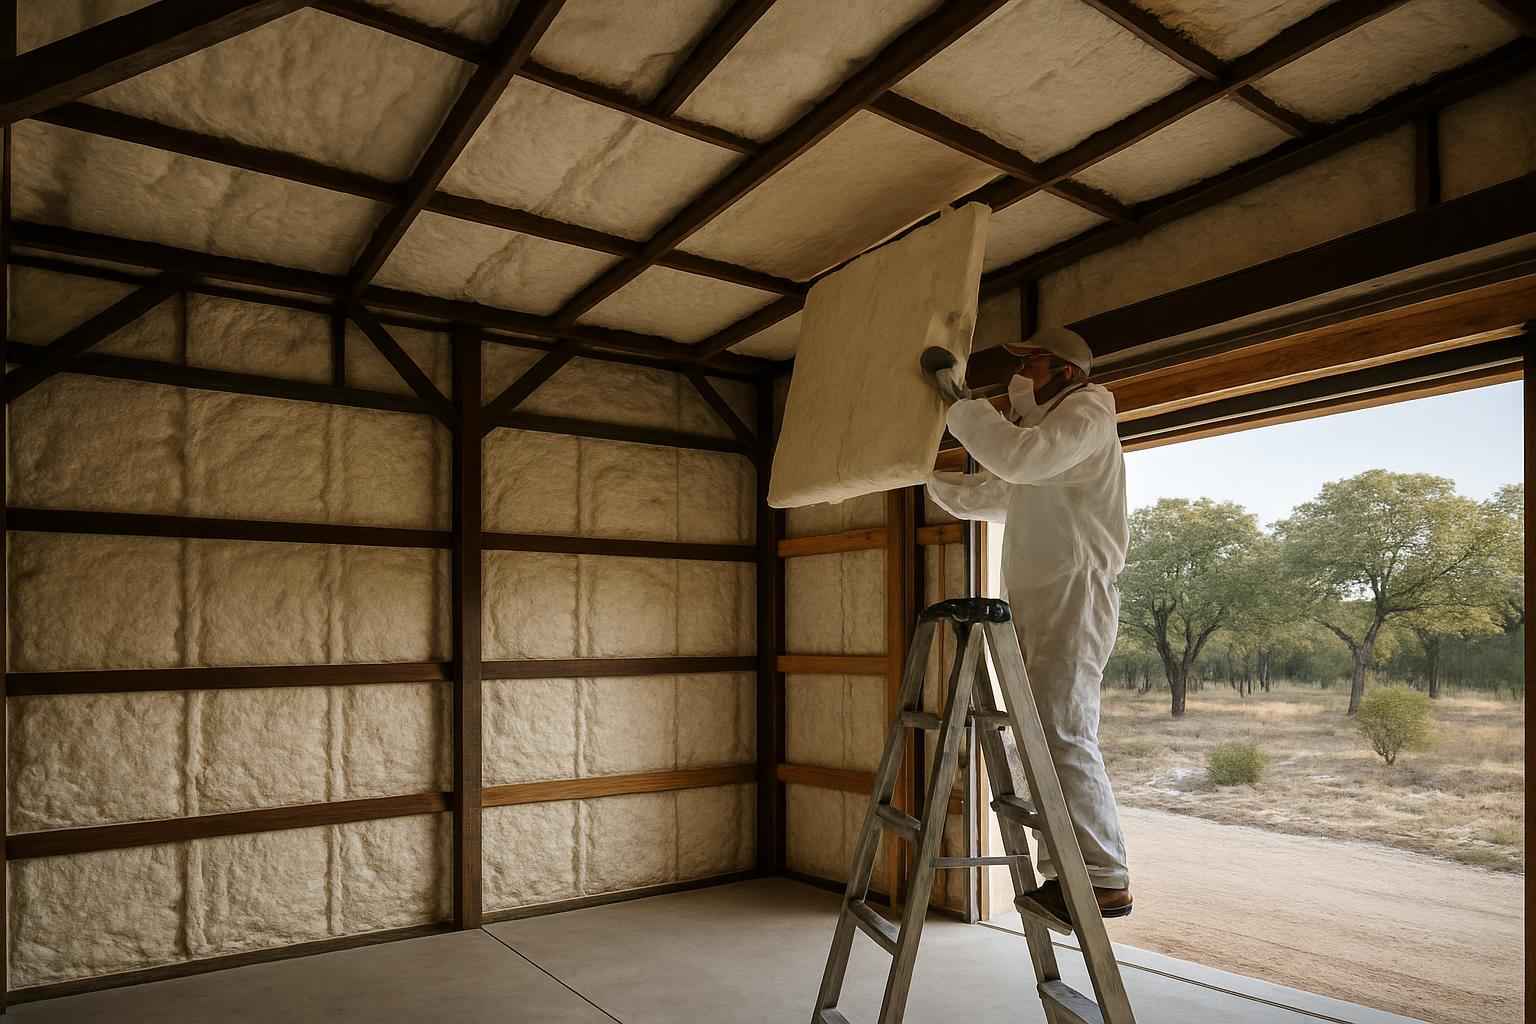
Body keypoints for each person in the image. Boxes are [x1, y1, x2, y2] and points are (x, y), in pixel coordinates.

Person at [926, 325, 1132, 924]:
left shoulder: (1088, 411)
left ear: (1067, 373)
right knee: (1045, 736)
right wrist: (918, 473)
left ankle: (1104, 879)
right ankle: (1069, 873)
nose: (1020, 378)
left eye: (1032, 365)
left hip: (1075, 591)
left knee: (1064, 732)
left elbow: (1018, 460)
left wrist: (957, 404)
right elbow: (992, 495)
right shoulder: (1048, 445)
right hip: (1044, 596)